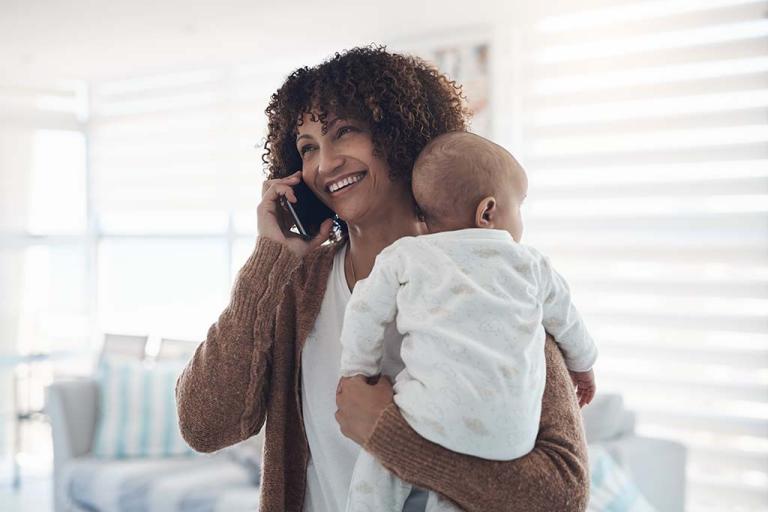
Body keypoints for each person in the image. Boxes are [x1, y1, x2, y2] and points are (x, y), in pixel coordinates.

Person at [175, 45, 590, 512]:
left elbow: (562, 494)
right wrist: (270, 258)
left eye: (344, 132)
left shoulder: (494, 272)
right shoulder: (297, 285)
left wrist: (390, 438)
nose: (323, 164)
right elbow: (205, 425)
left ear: (401, 135)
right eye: (308, 146)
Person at [339, 131, 598, 512]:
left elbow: (364, 311)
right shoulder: (529, 265)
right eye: (520, 207)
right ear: (488, 212)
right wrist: (584, 366)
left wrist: (356, 370)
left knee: (378, 472)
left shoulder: (406, 257)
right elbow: (568, 321)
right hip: (510, 436)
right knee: (459, 497)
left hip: (426, 416)